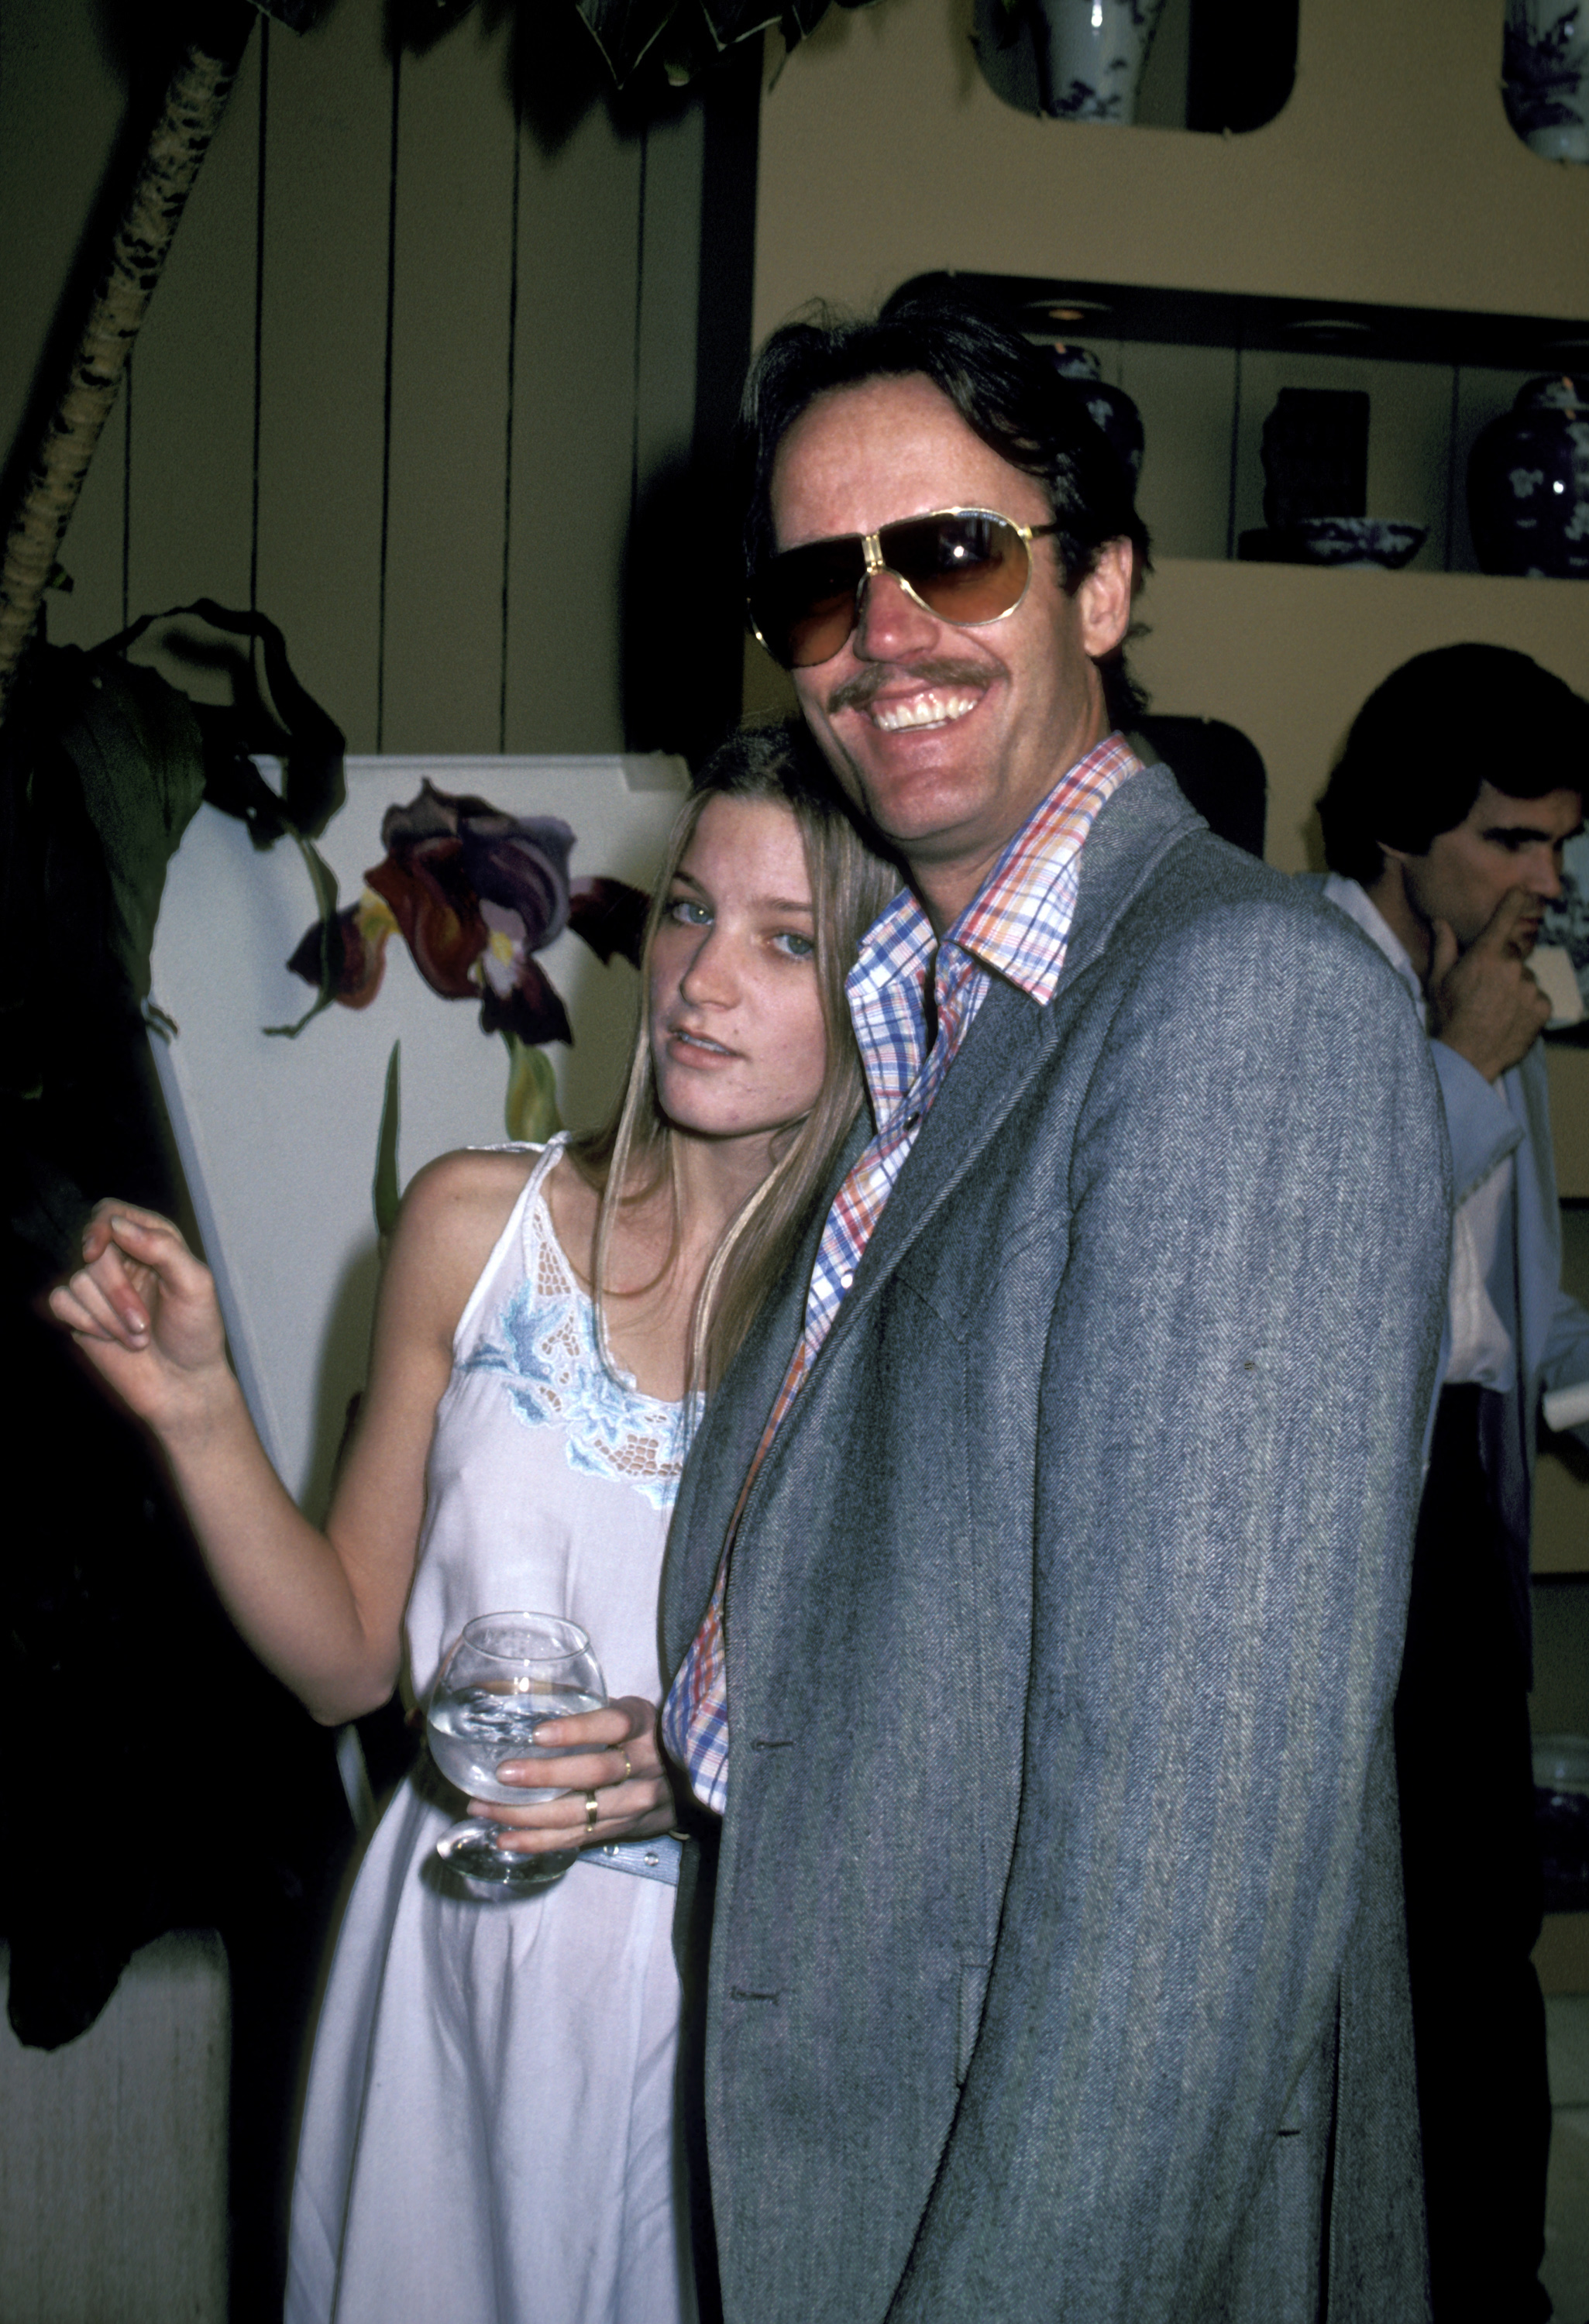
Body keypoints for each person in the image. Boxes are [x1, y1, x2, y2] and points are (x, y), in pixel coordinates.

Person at [658, 291, 1452, 2322]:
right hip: (854, 2137)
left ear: (1098, 584)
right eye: (818, 587)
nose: (881, 634)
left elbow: (1182, 1908)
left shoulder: (1240, 1000)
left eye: (949, 554)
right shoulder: (933, 1029)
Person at [47, 722, 899, 2324]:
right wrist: (198, 1408)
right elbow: (341, 1665)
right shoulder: (468, 1228)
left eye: (792, 941)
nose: (707, 979)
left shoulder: (887, 1330)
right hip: (446, 1959)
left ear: (885, 990)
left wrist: (710, 1765)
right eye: (695, 912)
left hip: (716, 2008)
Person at [1316, 643, 1589, 2324]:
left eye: (1561, 846)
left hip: (1473, 1494)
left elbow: (1515, 1312)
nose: (1541, 883)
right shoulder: (1301, 980)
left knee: (1487, 1943)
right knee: (1394, 1962)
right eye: (1506, 839)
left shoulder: (1505, 1005)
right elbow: (1325, 1279)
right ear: (1402, 832)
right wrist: (1466, 1066)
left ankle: (1498, 2286)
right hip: (1352, 1513)